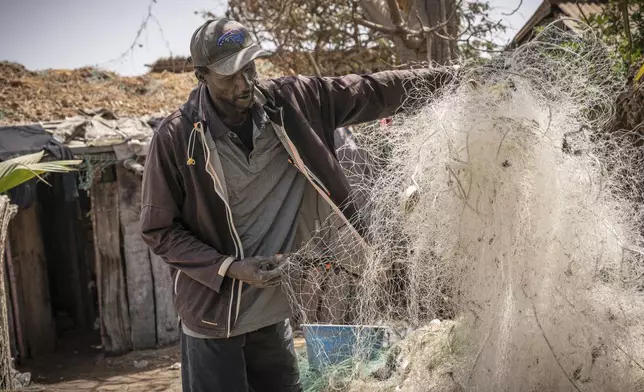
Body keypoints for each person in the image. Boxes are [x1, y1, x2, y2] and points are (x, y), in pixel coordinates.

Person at [140, 17, 453, 392]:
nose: (243, 83)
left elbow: (369, 90)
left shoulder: (293, 103)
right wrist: (231, 268)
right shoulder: (176, 138)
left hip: (271, 314)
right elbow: (160, 230)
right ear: (201, 75)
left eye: (249, 67)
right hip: (213, 319)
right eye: (228, 76)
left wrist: (449, 79)